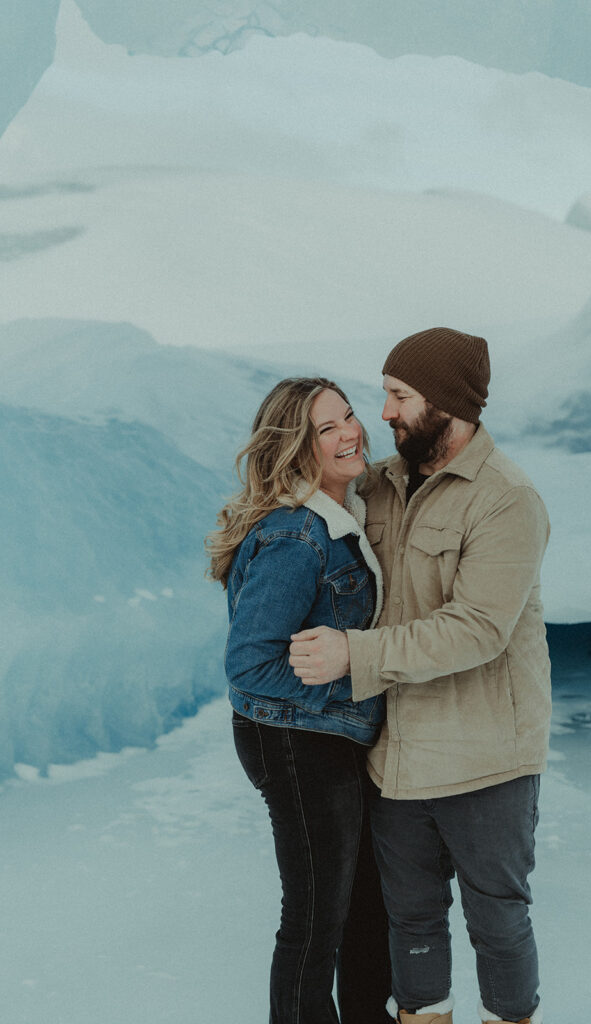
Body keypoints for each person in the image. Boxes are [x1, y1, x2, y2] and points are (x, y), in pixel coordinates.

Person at [288, 328, 551, 1024]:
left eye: (399, 395)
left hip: (485, 758)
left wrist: (355, 656)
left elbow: (477, 629)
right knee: (411, 927)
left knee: (497, 923)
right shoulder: (381, 486)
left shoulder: (505, 500)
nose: (383, 412)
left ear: (448, 405)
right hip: (396, 760)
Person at [206, 377, 392, 1024]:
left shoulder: (339, 519)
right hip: (295, 740)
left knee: (367, 909)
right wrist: (363, 683)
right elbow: (250, 663)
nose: (350, 433)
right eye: (326, 428)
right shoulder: (296, 535)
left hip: (328, 737)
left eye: (348, 417)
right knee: (316, 918)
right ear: (295, 446)